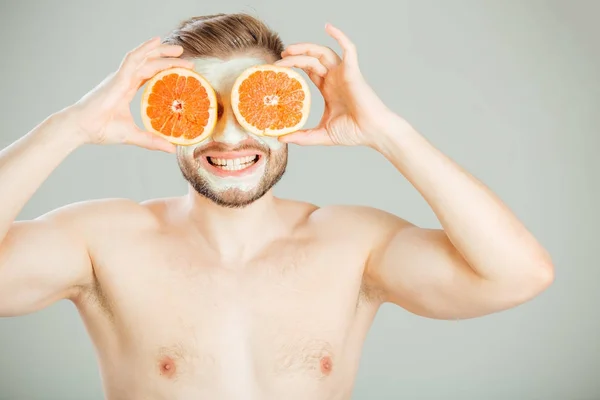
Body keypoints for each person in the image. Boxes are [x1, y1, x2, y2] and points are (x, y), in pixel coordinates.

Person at [0, 13, 553, 400]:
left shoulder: (352, 245)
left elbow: (518, 275)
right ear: (170, 114)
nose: (230, 134)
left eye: (254, 103)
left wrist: (388, 132)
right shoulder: (103, 241)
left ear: (287, 112)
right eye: (202, 106)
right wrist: (68, 127)